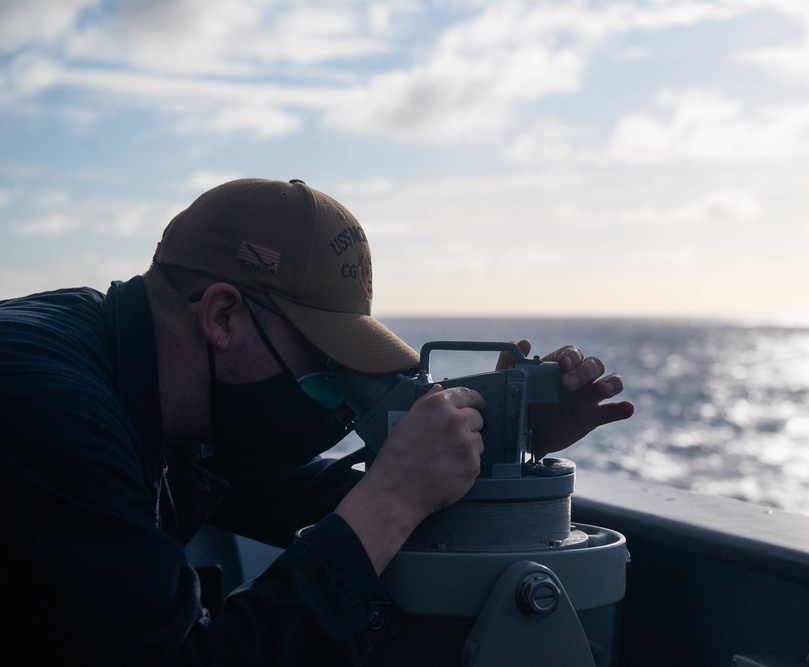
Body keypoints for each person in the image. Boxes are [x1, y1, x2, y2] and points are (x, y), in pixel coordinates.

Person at [0, 178, 634, 665]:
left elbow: (266, 486)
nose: (330, 394)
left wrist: (498, 441)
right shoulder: (49, 411)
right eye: (324, 361)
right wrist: (391, 498)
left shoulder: (126, 368)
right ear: (223, 318)